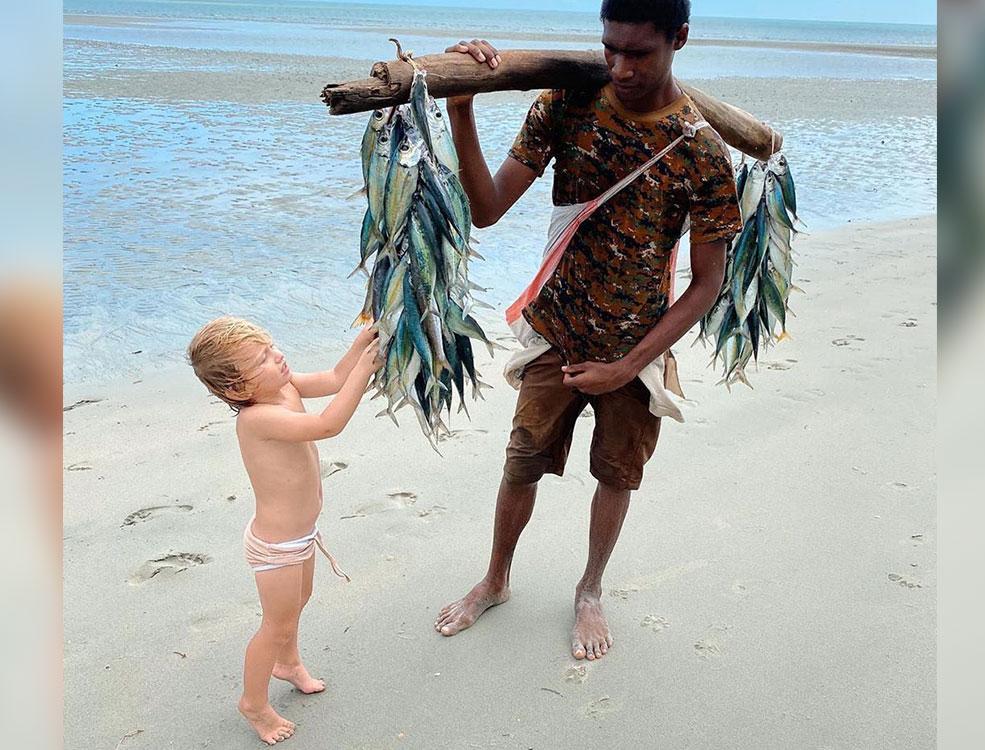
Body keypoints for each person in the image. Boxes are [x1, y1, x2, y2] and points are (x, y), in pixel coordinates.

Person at [434, 0, 743, 661]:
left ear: (679, 38)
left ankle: (590, 590)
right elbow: (486, 209)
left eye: (639, 53)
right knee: (521, 462)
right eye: (610, 50)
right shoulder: (568, 103)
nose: (621, 67)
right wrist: (461, 111)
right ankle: (495, 580)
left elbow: (706, 285)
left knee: (617, 473)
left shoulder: (702, 152)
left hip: (637, 346)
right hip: (557, 331)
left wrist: (628, 366)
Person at [187, 316, 379, 745]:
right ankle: (254, 703)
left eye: (272, 347)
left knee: (299, 602)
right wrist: (366, 370)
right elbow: (328, 425)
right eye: (263, 359)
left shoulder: (285, 387)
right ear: (238, 390)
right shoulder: (257, 419)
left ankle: (288, 663)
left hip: (301, 534)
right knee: (274, 624)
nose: (278, 356)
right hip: (277, 546)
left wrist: (359, 345)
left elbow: (332, 378)